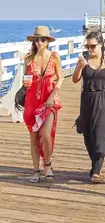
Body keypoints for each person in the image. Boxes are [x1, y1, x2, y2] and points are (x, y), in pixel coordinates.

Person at [72, 31, 105, 183]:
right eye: (87, 46)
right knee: (88, 136)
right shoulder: (84, 60)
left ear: (101, 44)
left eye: (93, 46)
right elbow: (75, 79)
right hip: (87, 99)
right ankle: (95, 163)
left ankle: (96, 169)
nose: (90, 49)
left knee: (101, 134)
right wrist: (80, 67)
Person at [23, 26, 64, 183]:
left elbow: (60, 78)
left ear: (48, 41)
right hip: (32, 101)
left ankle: (47, 164)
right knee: (33, 138)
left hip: (49, 101)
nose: (39, 42)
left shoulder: (54, 57)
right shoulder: (28, 58)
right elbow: (26, 79)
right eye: (36, 39)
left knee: (46, 135)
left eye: (42, 39)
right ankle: (35, 170)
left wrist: (53, 94)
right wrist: (26, 82)